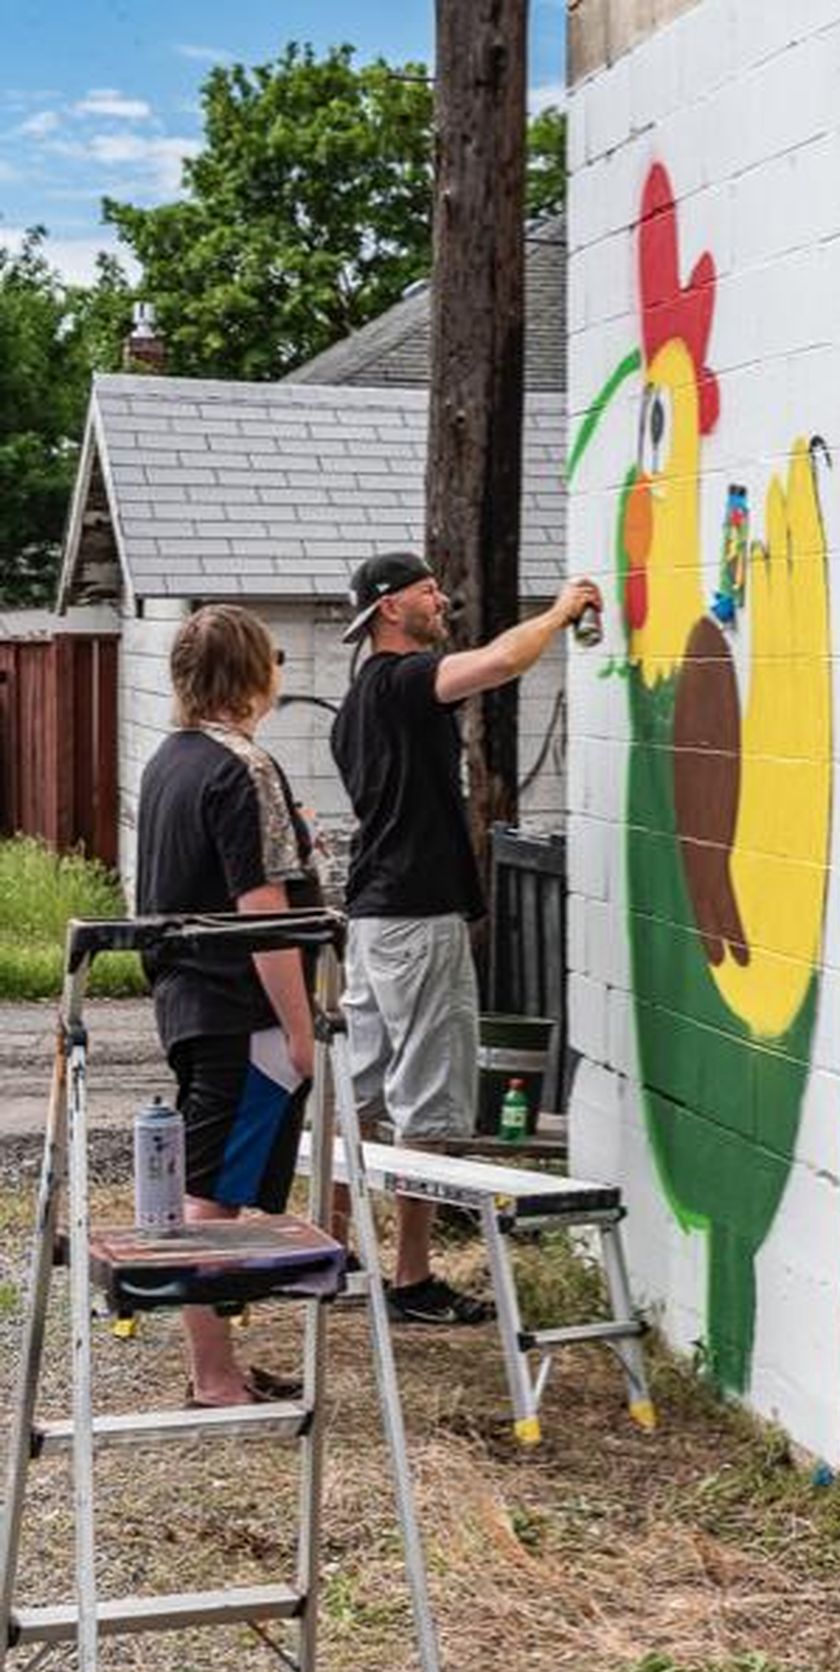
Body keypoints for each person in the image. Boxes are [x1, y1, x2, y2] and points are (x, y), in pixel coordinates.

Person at [330, 551, 600, 1324]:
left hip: (377, 920)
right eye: (426, 590)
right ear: (389, 609)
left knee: (361, 1092)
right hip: (416, 918)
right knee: (428, 1101)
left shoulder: (357, 703)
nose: (441, 598)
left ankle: (332, 1251)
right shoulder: (405, 681)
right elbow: (499, 662)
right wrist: (558, 610)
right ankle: (411, 1279)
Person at [137, 605, 320, 1406]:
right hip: (236, 1005)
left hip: (182, 994)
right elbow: (262, 905)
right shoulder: (243, 766)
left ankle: (220, 1366)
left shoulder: (166, 758)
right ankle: (214, 1377)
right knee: (211, 1187)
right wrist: (302, 1025)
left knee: (212, 1176)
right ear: (257, 674)